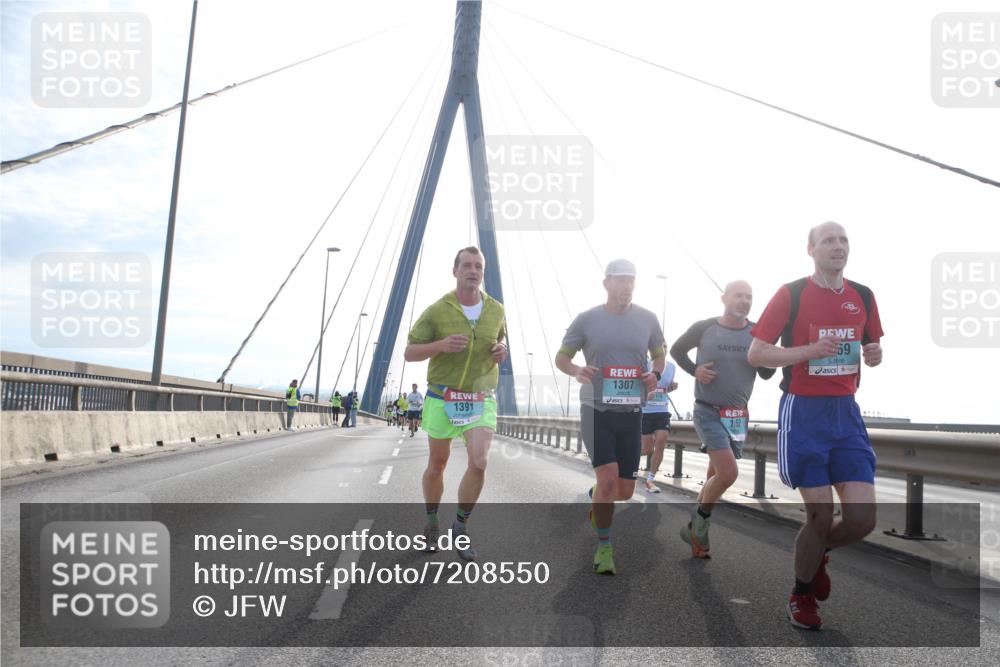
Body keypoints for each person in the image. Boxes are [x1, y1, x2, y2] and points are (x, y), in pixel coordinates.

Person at [747, 222, 883, 631]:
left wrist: (875, 353)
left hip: (846, 412)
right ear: (811, 249)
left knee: (862, 520)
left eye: (843, 240)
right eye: (828, 241)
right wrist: (807, 350)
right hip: (803, 412)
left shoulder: (863, 295)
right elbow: (756, 354)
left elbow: (870, 347)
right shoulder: (791, 294)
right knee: (820, 514)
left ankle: (817, 553)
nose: (838, 247)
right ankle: (800, 595)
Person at [555, 258, 665, 575]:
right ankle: (604, 547)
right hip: (596, 410)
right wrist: (576, 369)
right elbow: (562, 357)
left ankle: (597, 499)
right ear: (607, 283)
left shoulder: (648, 319)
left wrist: (655, 373)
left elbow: (659, 353)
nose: (626, 285)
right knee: (607, 481)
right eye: (620, 280)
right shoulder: (587, 319)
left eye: (631, 280)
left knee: (625, 491)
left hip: (631, 412)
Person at [405, 246, 508, 562]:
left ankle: (460, 527)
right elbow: (410, 352)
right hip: (442, 396)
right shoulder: (438, 310)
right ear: (455, 271)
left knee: (479, 462)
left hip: (480, 397)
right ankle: (432, 522)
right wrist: (440, 346)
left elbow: (500, 340)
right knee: (438, 464)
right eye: (467, 265)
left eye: (478, 266)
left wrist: (501, 350)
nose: (473, 271)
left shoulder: (496, 310)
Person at [670, 280, 776, 557]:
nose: (744, 301)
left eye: (749, 297)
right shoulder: (705, 327)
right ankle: (700, 525)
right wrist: (695, 371)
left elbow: (766, 374)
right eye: (738, 296)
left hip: (737, 415)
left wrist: (771, 345)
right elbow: (677, 350)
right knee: (728, 474)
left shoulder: (757, 332)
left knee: (715, 476)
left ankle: (696, 533)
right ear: (724, 298)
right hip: (707, 409)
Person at [639, 358, 678, 493]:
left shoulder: (672, 367)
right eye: (660, 347)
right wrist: (646, 394)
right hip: (645, 411)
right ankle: (623, 457)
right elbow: (636, 386)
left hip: (662, 410)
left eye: (665, 346)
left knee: (661, 442)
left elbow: (665, 388)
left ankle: (650, 480)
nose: (662, 349)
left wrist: (671, 387)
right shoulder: (644, 364)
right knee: (647, 450)